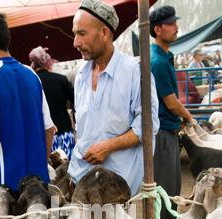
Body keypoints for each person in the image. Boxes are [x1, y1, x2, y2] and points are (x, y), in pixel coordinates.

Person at [68, 0, 159, 198]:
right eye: (75, 34)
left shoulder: (135, 72)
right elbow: (82, 131)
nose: (75, 42)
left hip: (118, 191)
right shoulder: (81, 75)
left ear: (104, 33)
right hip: (81, 181)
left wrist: (108, 146)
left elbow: (147, 126)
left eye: (81, 33)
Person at [0, 9, 55, 191]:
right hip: (39, 184)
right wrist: (41, 162)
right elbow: (49, 130)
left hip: (6, 185)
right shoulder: (31, 74)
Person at [150, 5, 194, 219]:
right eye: (171, 24)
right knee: (166, 191)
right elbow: (171, 103)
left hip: (165, 131)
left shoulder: (161, 56)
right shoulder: (158, 61)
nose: (176, 27)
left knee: (169, 188)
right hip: (163, 133)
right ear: (158, 29)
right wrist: (190, 117)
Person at [29, 46, 75, 159]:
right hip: (64, 132)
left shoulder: (30, 83)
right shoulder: (61, 79)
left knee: (48, 172)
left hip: (42, 137)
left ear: (33, 64)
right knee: (68, 170)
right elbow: (76, 102)